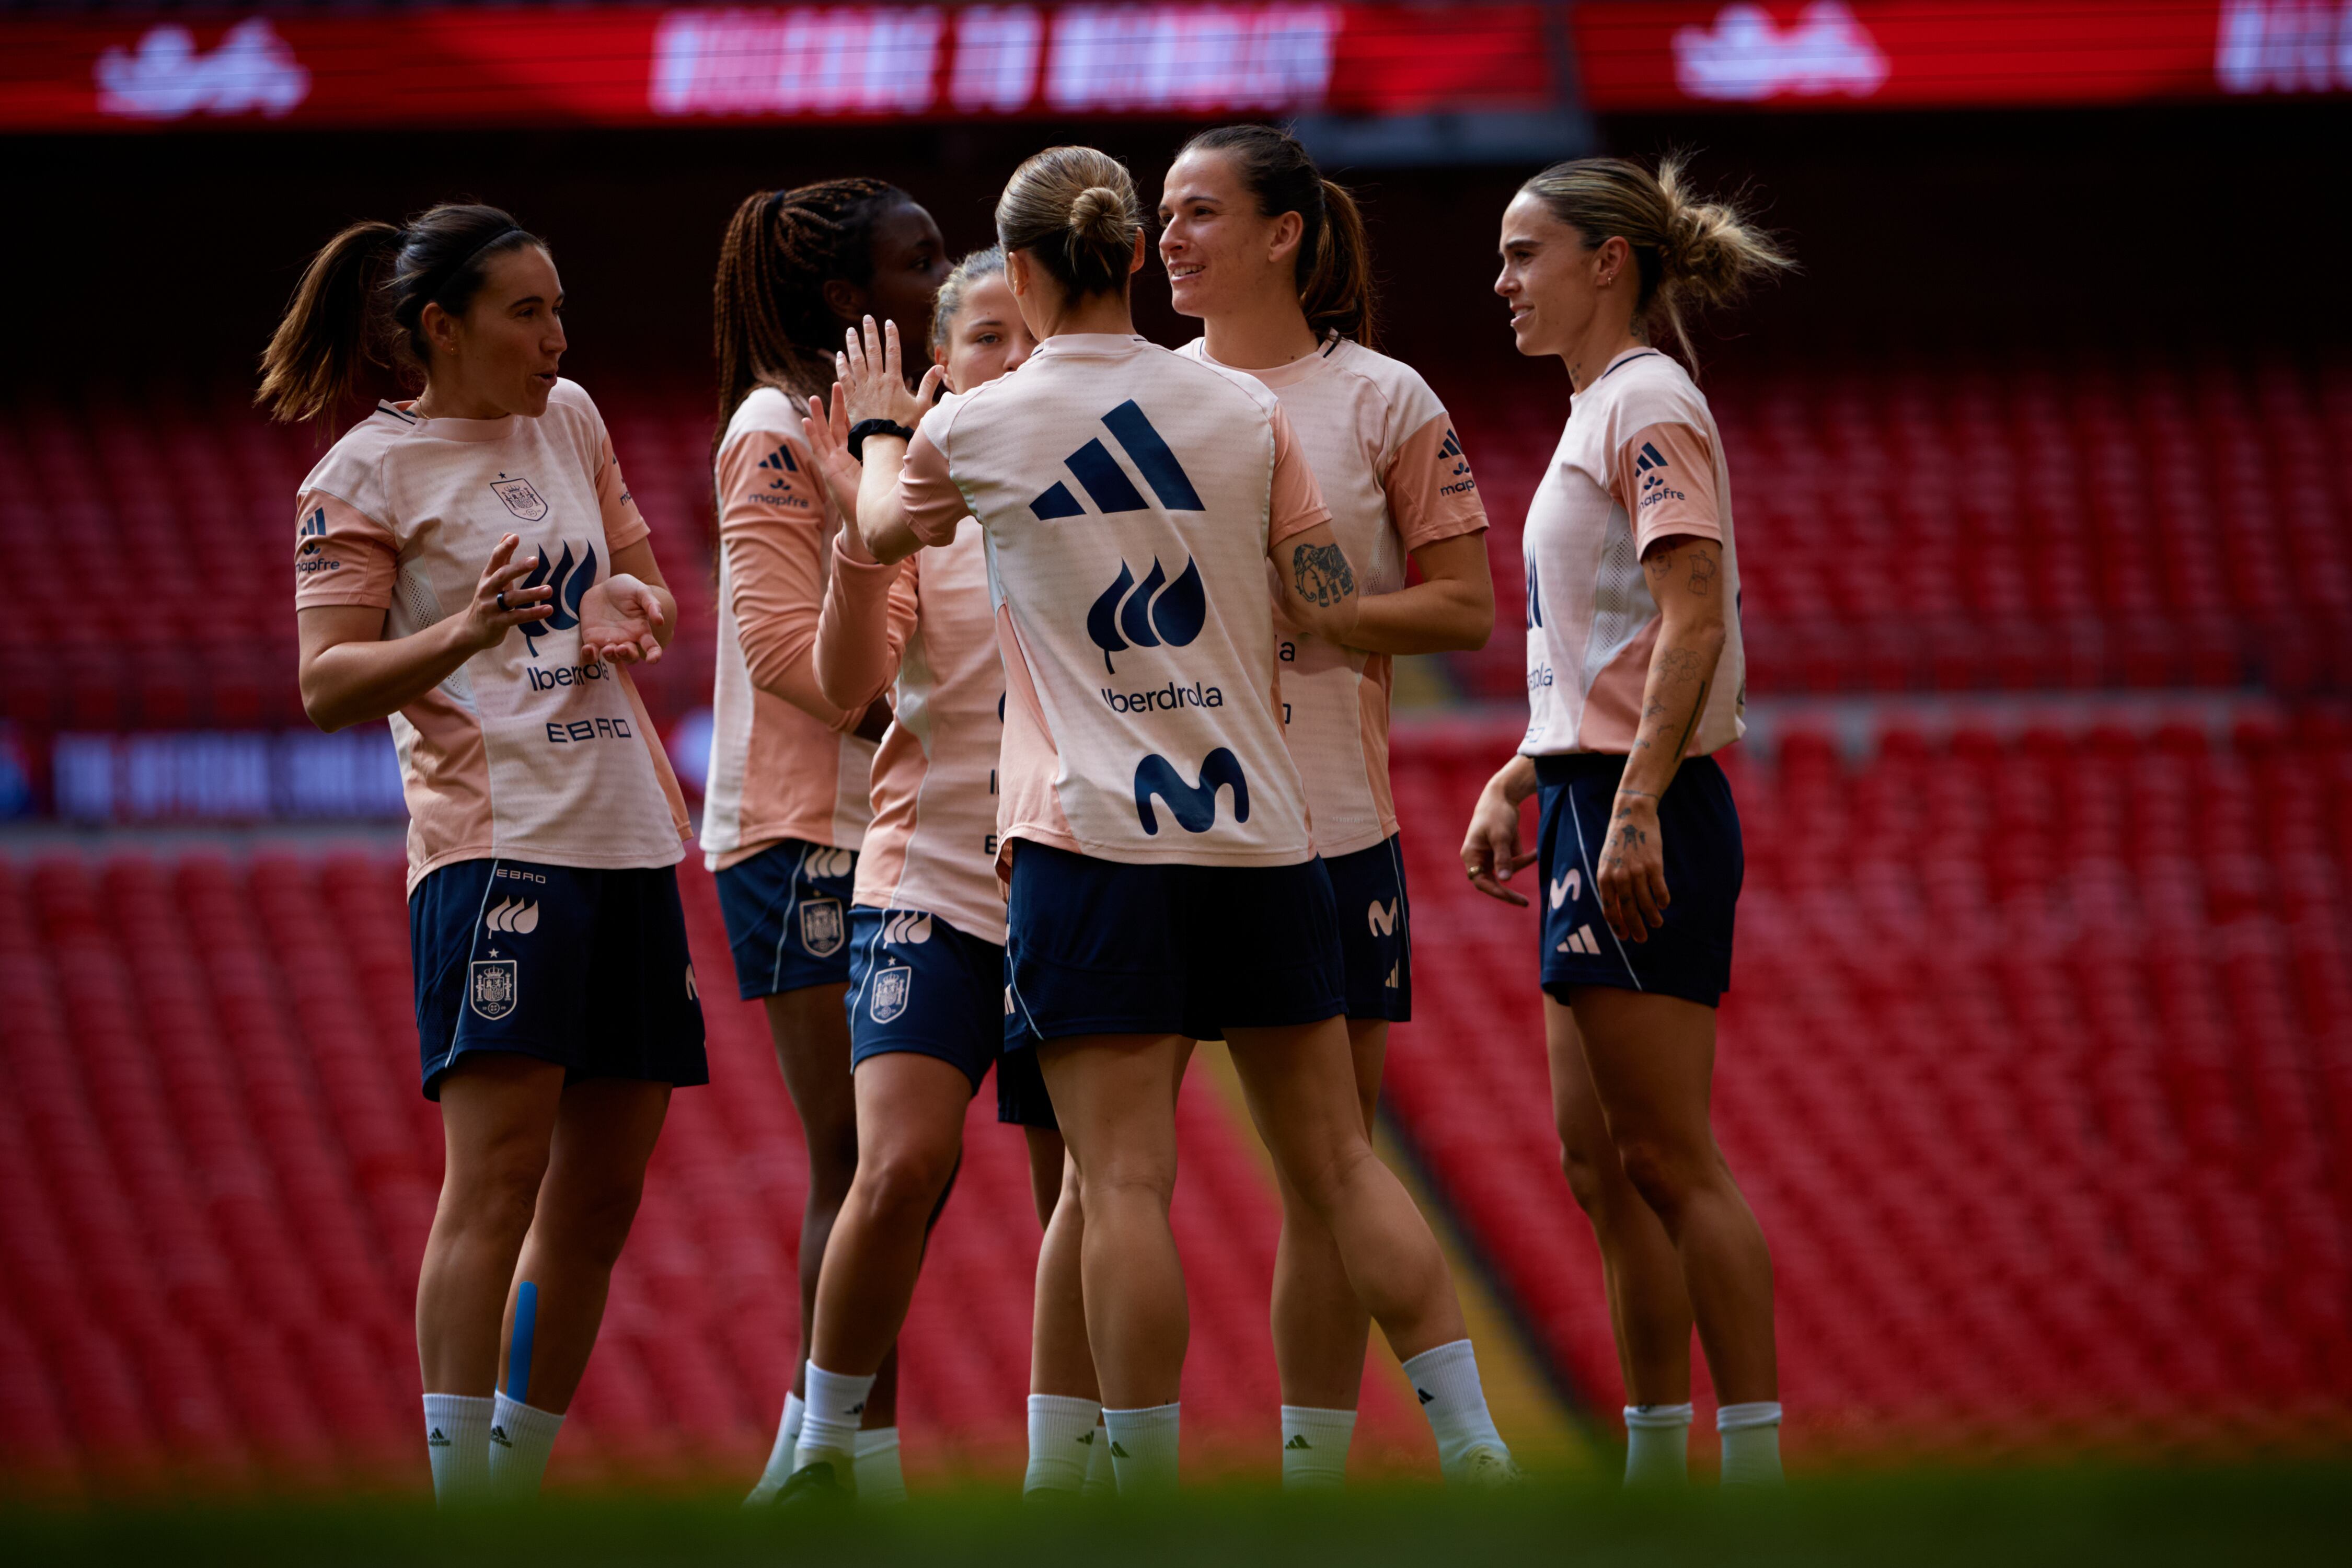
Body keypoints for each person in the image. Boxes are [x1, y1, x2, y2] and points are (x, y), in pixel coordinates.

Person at [807, 145, 1516, 1496]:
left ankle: (1138, 1489)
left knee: (1118, 1185)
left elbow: (885, 526)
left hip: (1092, 844)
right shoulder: (1246, 413)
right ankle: (1474, 1448)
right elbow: (1315, 591)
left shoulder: (981, 423)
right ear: (1132, 256)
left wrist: (880, 426)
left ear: (1017, 272)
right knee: (1339, 1164)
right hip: (1261, 830)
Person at [259, 203, 703, 1504]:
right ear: (440, 328)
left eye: (561, 308)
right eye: (528, 312)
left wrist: (640, 605)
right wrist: (459, 634)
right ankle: (463, 1505)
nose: (557, 337)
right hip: (497, 847)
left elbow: (645, 585)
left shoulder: (571, 418)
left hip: (627, 832)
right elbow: (327, 684)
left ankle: (516, 1488)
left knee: (604, 1199)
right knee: (497, 1179)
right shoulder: (361, 474)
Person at [1158, 123, 1495, 1489]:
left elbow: (1465, 606)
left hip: (1326, 823)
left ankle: (1319, 1477)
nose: (1165, 240)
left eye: (1195, 213)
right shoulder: (1138, 394)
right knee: (1104, 1176)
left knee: (1325, 1172)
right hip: (1156, 828)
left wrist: (1332, 611)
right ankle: (1093, 1474)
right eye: (1158, 217)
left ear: (1284, 231)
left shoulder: (1384, 400)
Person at [1460, 155, 1792, 1487]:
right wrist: (1530, 771)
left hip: (1640, 808)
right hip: (1591, 795)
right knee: (1601, 1164)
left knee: (1667, 1154)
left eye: (1525, 252)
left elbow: (1694, 613)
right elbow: (1608, 640)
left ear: (1609, 262)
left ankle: (1755, 1480)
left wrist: (1636, 799)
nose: (1502, 280)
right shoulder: (1601, 403)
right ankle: (1657, 1473)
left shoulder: (1649, 400)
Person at [785, 248, 1070, 1502]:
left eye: (1035, 336)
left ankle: (1070, 1471)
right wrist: (862, 511)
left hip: (1075, 873)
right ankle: (825, 1452)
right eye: (990, 342)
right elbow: (847, 686)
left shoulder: (1102, 479)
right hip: (932, 875)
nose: (1017, 362)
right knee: (895, 1164)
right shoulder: (917, 507)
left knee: (1084, 1191)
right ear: (944, 367)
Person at [705, 179, 950, 1505]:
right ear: (852, 301)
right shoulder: (771, 430)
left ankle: (823, 1454)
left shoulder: (892, 426)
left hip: (887, 824)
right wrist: (927, 724)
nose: (945, 273)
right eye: (920, 260)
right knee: (861, 1159)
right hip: (804, 826)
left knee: (903, 1162)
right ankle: (837, 1461)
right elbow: (776, 655)